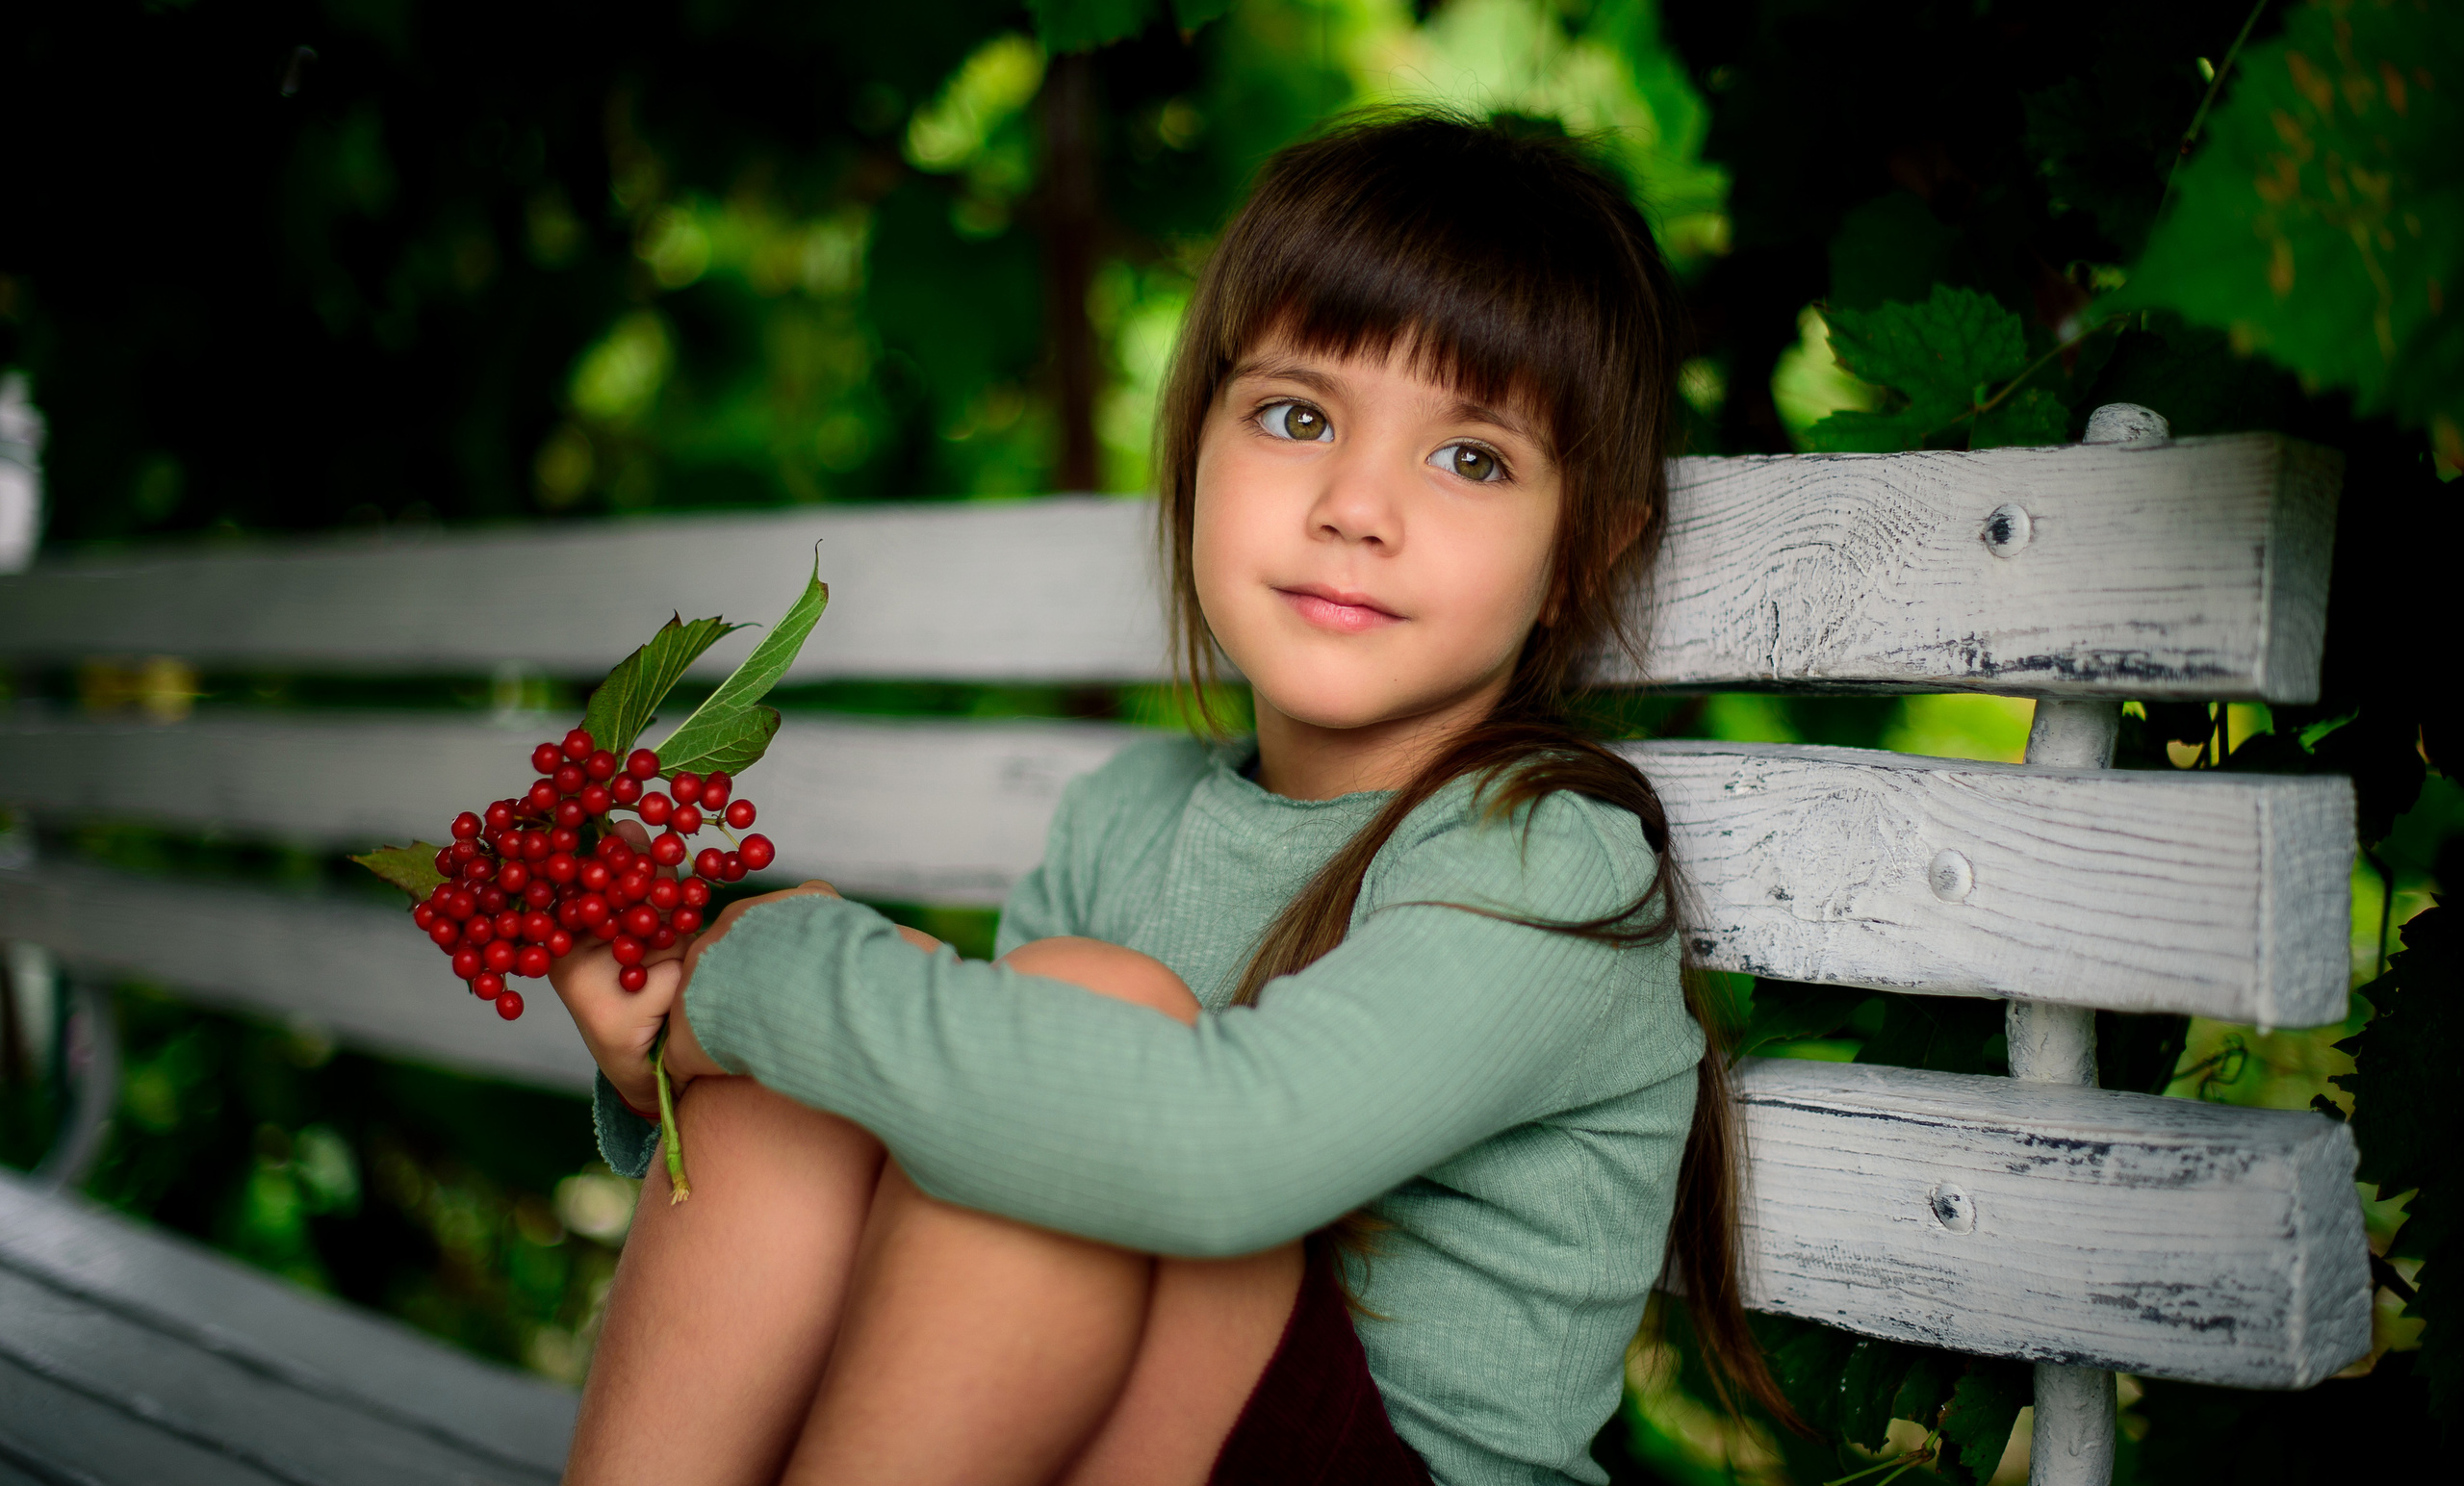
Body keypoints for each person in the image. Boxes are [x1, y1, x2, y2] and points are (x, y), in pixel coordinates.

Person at [551, 112, 1788, 1486]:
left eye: (1472, 457)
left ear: (1579, 557)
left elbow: (1212, 1157)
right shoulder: (1123, 819)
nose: (1355, 504)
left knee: (1051, 1028)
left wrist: (750, 981)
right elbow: (968, 1201)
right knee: (852, 1072)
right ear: (1199, 441)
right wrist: (708, 1016)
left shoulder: (1546, 858)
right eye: (1297, 415)